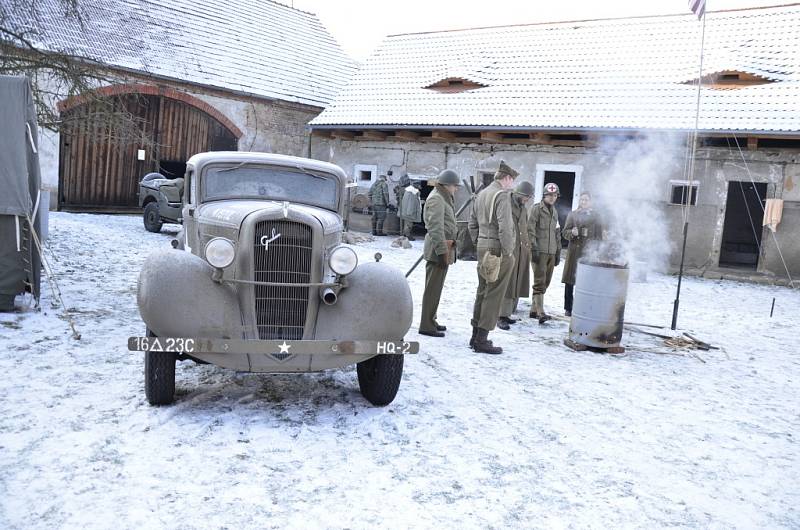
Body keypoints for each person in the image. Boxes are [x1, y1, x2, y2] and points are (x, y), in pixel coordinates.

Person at [468, 160, 518, 354]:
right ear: (506, 178)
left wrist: (479, 242)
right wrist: (509, 252)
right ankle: (482, 339)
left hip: (483, 246)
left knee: (482, 290)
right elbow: (505, 227)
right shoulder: (502, 196)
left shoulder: (481, 194)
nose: (512, 185)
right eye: (511, 181)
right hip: (497, 249)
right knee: (494, 293)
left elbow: (472, 224)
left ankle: (475, 336)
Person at [419, 169, 461, 337]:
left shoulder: (443, 197)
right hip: (438, 250)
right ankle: (426, 325)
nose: (456, 189)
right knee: (432, 290)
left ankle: (431, 319)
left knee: (436, 289)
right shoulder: (437, 198)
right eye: (455, 186)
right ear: (447, 185)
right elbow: (435, 227)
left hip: (443, 249)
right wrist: (443, 252)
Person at [497, 180, 533, 330]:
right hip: (509, 249)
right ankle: (500, 315)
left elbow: (525, 227)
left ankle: (508, 313)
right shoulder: (506, 204)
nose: (527, 200)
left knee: (517, 282)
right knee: (507, 282)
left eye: (529, 198)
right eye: (526, 197)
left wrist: (528, 245)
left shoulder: (523, 208)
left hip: (521, 249)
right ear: (519, 194)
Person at [561, 192, 603, 316]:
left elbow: (599, 238)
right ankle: (568, 308)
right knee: (570, 281)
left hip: (588, 253)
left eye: (586, 200)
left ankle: (584, 307)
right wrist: (571, 233)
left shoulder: (596, 217)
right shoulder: (573, 215)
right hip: (574, 251)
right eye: (582, 199)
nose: (583, 202)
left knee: (586, 282)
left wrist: (596, 250)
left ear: (591, 201)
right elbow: (564, 233)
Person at [528, 182, 561, 324]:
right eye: (549, 195)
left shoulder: (555, 212)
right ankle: (541, 312)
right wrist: (533, 248)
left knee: (546, 281)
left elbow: (557, 233)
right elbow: (530, 229)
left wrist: (558, 251)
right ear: (544, 196)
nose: (552, 198)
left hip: (551, 252)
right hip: (539, 251)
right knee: (539, 281)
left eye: (554, 195)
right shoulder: (536, 209)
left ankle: (533, 310)